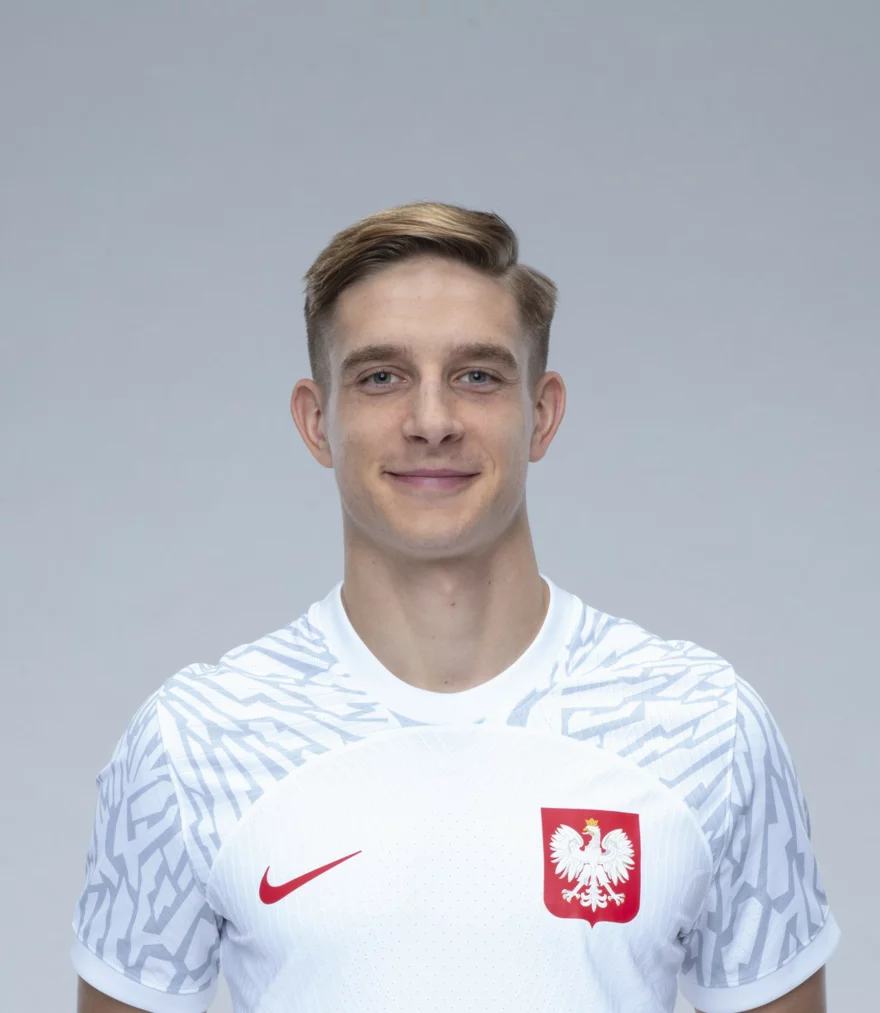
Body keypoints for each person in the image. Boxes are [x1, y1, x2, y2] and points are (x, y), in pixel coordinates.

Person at [72, 202, 839, 1013]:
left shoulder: (704, 726)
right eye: (381, 377)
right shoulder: (195, 744)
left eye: (477, 376)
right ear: (316, 421)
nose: (431, 421)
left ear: (541, 413)